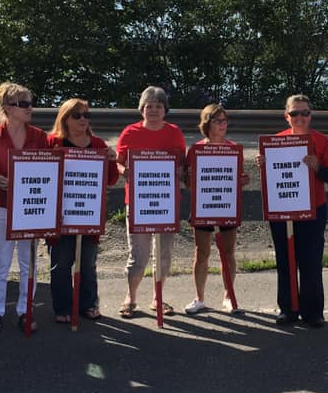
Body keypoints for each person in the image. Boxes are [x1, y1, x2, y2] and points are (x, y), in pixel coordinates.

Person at [259, 95, 328, 328]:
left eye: (304, 113)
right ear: (287, 116)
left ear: (311, 115)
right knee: (285, 260)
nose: (300, 117)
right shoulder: (276, 142)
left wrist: (318, 167)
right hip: (283, 210)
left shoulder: (321, 141)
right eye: (294, 113)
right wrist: (264, 163)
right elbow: (272, 176)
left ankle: (313, 312)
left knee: (311, 261)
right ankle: (288, 309)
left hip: (314, 209)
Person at [0, 82, 49, 334]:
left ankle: (25, 310)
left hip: (31, 208)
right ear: (7, 108)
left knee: (28, 261)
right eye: (24, 104)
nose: (30, 108)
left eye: (31, 102)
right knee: (1, 261)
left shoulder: (40, 136)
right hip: (0, 205)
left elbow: (49, 169)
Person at [115, 86, 187, 319]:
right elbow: (119, 162)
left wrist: (179, 171)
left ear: (165, 110)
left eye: (158, 106)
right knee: (138, 254)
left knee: (164, 253)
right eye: (149, 106)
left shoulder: (174, 132)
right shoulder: (130, 132)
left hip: (167, 201)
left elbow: (182, 163)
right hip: (137, 202)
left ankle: (158, 298)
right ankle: (131, 297)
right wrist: (125, 171)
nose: (153, 110)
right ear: (141, 109)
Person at [46, 98, 119, 323]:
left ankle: (88, 304)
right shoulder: (52, 142)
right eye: (77, 115)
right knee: (61, 264)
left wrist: (112, 160)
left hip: (88, 214)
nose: (83, 120)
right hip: (60, 216)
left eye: (87, 115)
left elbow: (111, 179)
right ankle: (63, 308)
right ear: (65, 118)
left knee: (88, 263)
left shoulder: (97, 144)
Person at [184, 104, 249, 315]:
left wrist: (242, 180)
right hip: (203, 206)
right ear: (207, 123)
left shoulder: (233, 148)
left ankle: (228, 296)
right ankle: (199, 297)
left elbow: (237, 179)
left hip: (226, 205)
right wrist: (191, 178)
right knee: (201, 252)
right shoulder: (196, 149)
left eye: (224, 121)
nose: (222, 125)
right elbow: (187, 183)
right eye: (217, 121)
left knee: (228, 252)